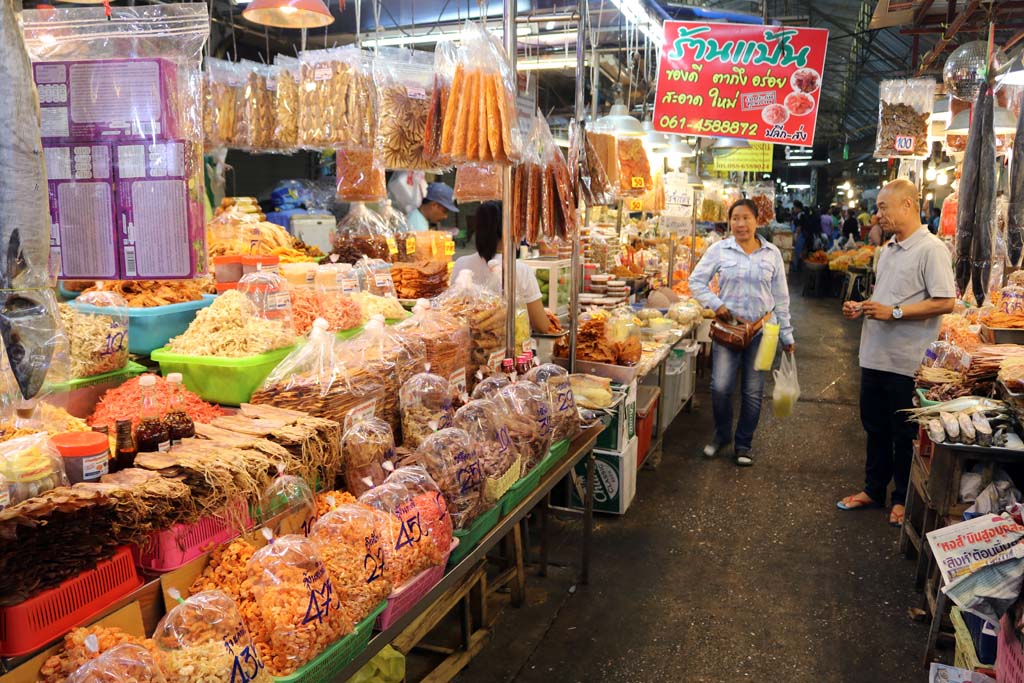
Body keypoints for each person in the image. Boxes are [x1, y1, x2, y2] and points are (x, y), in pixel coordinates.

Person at [838, 179, 955, 526]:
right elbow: (888, 298)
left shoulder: (931, 249)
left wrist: (896, 313)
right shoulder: (888, 248)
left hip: (907, 360)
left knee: (903, 433)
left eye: (883, 207)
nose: (877, 215)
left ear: (908, 205)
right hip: (874, 354)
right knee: (874, 427)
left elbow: (945, 301)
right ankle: (873, 489)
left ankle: (901, 498)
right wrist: (862, 307)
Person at [689, 199, 795, 467]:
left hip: (763, 332)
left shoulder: (771, 254)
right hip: (729, 330)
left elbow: (781, 299)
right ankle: (722, 434)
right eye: (735, 218)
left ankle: (743, 443)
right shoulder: (719, 250)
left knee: (752, 391)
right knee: (721, 387)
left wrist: (787, 336)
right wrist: (717, 305)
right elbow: (695, 281)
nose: (740, 224)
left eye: (746, 217)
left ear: (757, 220)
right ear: (729, 222)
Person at [449, 200, 551, 333]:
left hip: (473, 347)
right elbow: (541, 326)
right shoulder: (520, 270)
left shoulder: (461, 264)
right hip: (512, 347)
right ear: (509, 229)